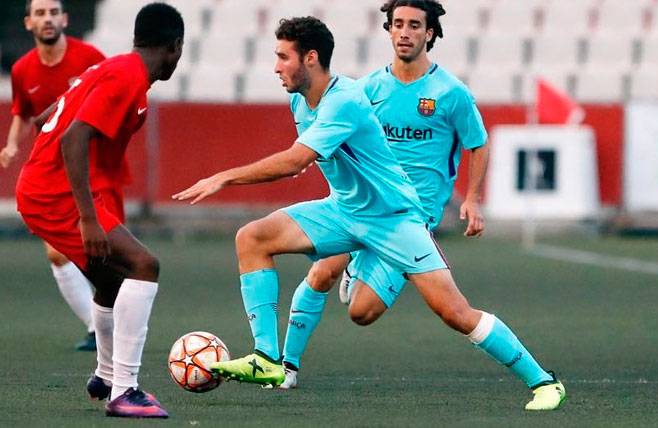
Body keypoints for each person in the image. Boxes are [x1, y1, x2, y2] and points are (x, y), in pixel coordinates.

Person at [173, 15, 565, 411]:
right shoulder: (299, 99)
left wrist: (224, 176)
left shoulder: (346, 100)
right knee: (252, 238)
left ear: (310, 58)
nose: (275, 67)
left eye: (282, 57)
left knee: (454, 312)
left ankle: (545, 382)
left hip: (394, 219)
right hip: (342, 210)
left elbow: (296, 162)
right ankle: (270, 360)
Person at [279, 0, 490, 390]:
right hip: (362, 206)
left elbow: (476, 143)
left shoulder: (451, 93)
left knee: (362, 312)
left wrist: (473, 199)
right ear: (389, 30)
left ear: (429, 34)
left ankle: (360, 269)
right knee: (322, 270)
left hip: (410, 216)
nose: (404, 32)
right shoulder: (367, 89)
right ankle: (285, 367)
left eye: (414, 25)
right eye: (397, 24)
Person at [16, 2, 183, 418]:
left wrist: (55, 117)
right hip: (52, 195)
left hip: (45, 188)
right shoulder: (126, 77)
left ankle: (106, 375)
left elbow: (45, 118)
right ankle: (125, 391)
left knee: (109, 277)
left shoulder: (113, 69)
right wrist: (88, 217)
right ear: (175, 47)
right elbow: (73, 139)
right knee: (144, 266)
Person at [0, 0, 108, 352]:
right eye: (40, 14)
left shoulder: (89, 56)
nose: (47, 19)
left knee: (102, 247)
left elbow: (114, 95)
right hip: (50, 169)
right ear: (28, 22)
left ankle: (118, 318)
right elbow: (22, 112)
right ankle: (96, 327)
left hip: (92, 165)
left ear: (65, 18)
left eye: (53, 12)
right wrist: (12, 144)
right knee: (58, 254)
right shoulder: (22, 70)